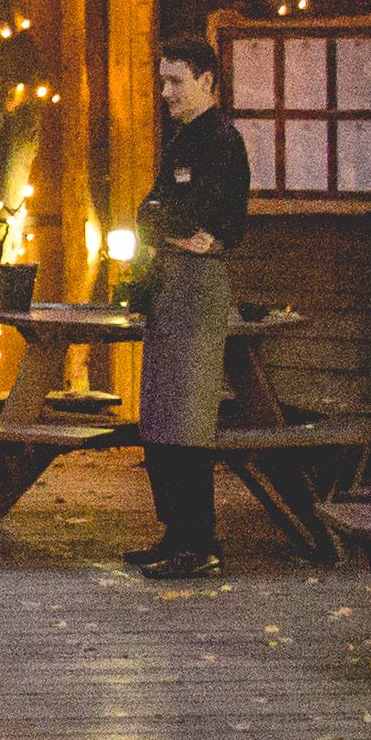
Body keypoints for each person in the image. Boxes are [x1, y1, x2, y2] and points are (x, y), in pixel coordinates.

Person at [130, 35, 252, 579]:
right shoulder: (181, 141)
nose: (165, 92)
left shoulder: (222, 142)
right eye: (162, 81)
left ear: (208, 81)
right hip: (166, 285)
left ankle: (199, 542)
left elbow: (205, 219)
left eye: (175, 81)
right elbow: (148, 212)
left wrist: (171, 221)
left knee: (187, 416)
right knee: (157, 413)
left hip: (199, 289)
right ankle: (174, 532)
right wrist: (169, 221)